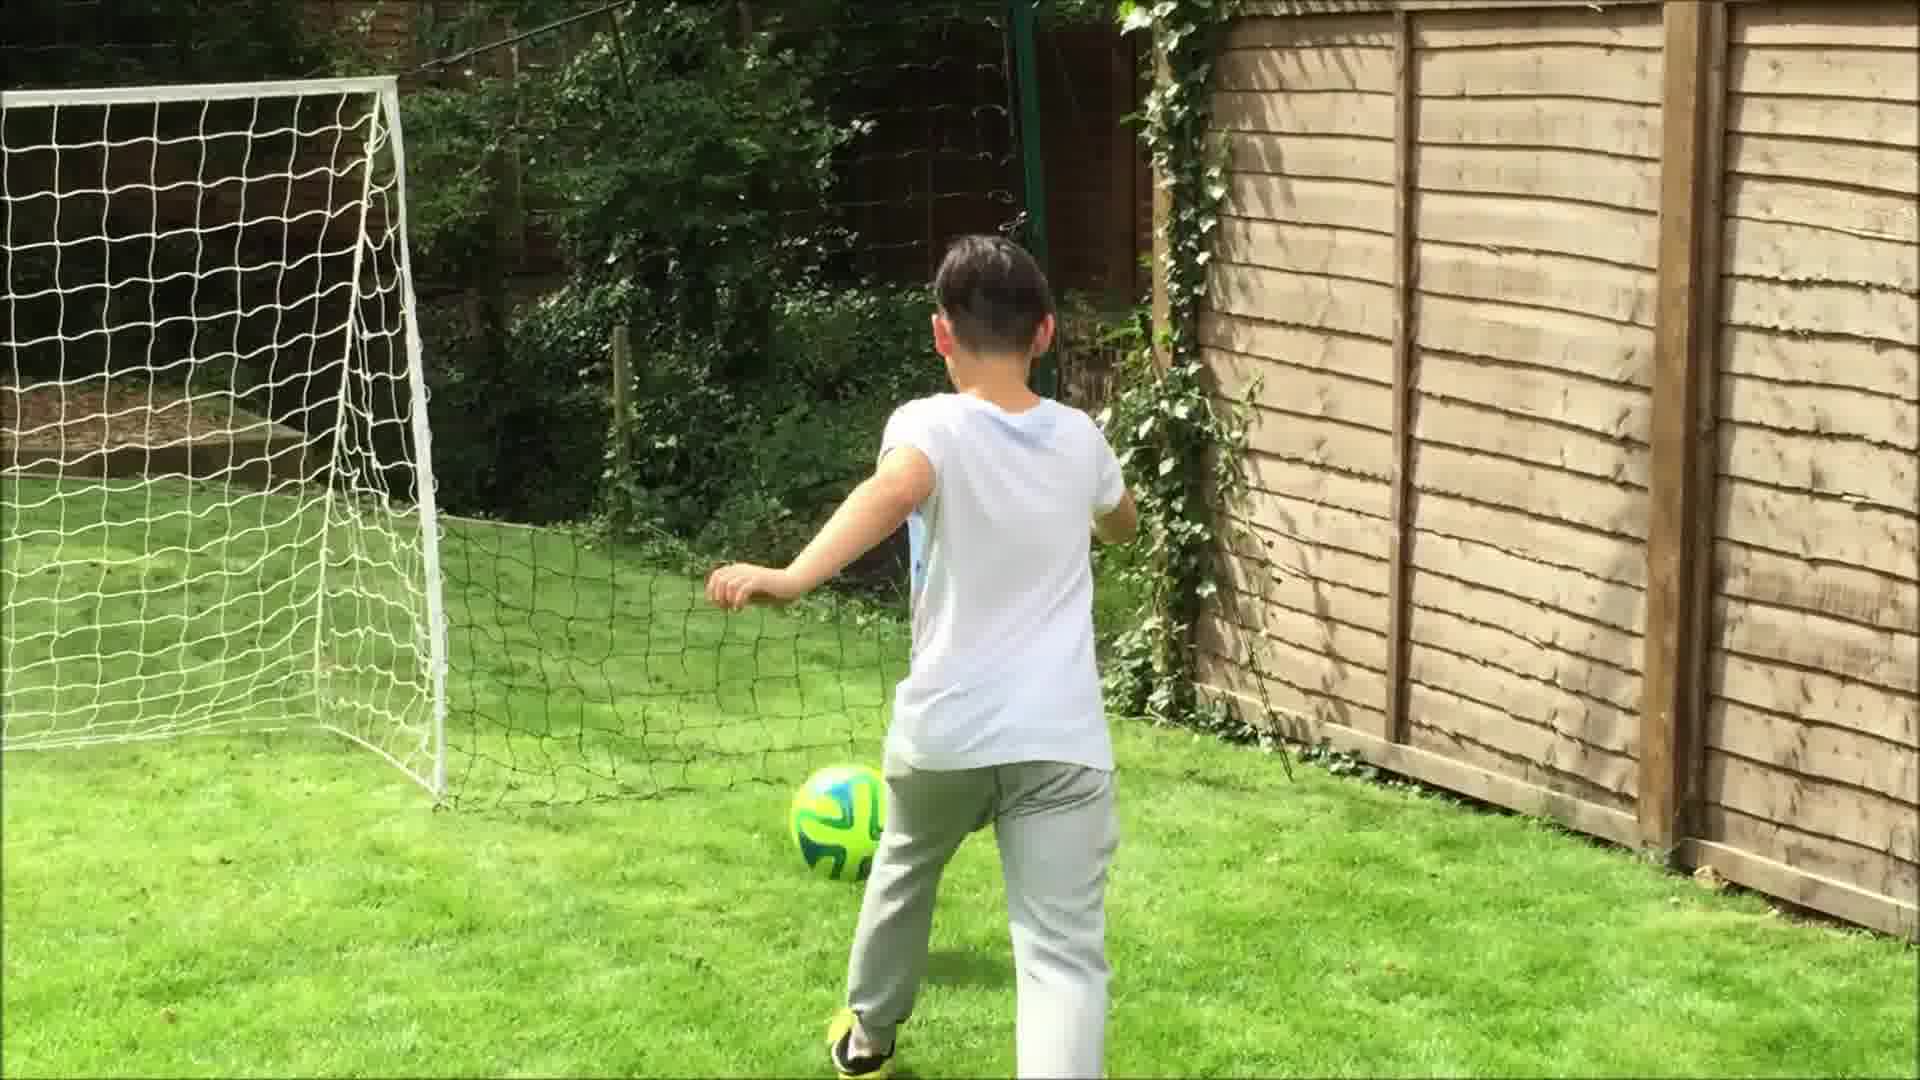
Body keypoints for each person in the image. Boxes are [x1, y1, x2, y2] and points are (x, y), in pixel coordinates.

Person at [705, 234, 1138, 1079]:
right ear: (1044, 334)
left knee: (903, 869)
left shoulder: (926, 421)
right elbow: (1121, 523)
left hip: (947, 733)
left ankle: (868, 1036)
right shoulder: (1082, 438)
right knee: (1061, 959)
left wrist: (792, 577)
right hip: (1061, 742)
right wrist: (1099, 515)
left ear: (942, 333)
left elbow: (895, 488)